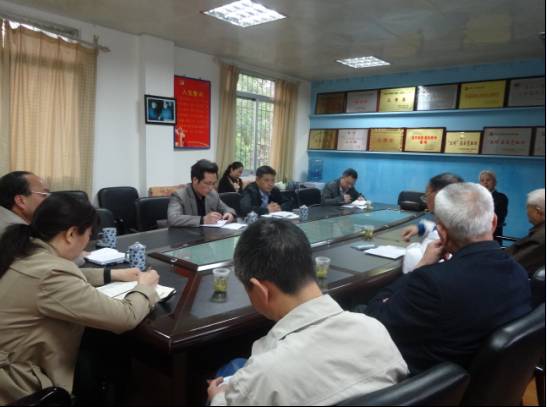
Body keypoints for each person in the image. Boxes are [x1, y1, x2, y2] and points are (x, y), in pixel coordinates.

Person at [207, 219, 408, 406]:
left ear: (261, 291)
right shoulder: (375, 330)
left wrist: (217, 398)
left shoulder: (261, 378)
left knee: (230, 370)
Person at [0, 193, 160, 404]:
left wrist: (112, 274)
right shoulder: (51, 274)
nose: (86, 245)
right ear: (71, 234)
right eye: (88, 235)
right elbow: (125, 317)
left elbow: (60, 278)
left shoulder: (24, 250)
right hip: (17, 384)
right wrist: (145, 287)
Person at [362, 183, 531, 374]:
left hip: (420, 383)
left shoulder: (431, 283)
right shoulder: (519, 273)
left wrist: (421, 267)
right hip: (482, 382)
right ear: (493, 222)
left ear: (441, 232)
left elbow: (375, 318)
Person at [0, 171, 139, 278]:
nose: (49, 201)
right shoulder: (11, 233)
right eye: (44, 195)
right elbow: (58, 269)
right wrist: (73, 253)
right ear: (21, 201)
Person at [400, 172, 463, 273]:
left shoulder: (438, 245)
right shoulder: (461, 222)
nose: (425, 200)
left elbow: (415, 268)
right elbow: (435, 227)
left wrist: (412, 249)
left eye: (426, 195)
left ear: (437, 195)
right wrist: (420, 228)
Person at [168, 159, 236, 227]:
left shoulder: (213, 194)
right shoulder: (179, 196)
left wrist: (229, 213)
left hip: (209, 233)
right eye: (207, 183)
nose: (211, 188)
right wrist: (202, 220)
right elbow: (173, 218)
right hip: (187, 233)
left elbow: (226, 208)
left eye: (213, 183)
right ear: (195, 180)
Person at [506, 188, 545, 275]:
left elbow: (512, 263)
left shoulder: (540, 238)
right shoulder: (540, 232)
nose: (527, 212)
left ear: (538, 211)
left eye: (528, 208)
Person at [479, 170, 508, 240]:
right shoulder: (476, 197)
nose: (485, 182)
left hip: (493, 235)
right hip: (476, 235)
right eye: (482, 180)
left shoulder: (501, 197)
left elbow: (499, 218)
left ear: (495, 182)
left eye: (488, 180)